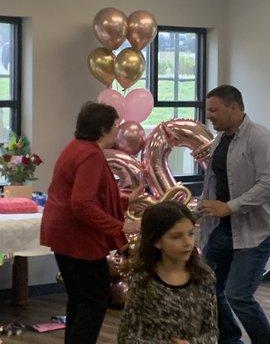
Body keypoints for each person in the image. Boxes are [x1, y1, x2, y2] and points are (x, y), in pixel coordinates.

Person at [41, 101, 140, 344]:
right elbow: (82, 204)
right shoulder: (90, 155)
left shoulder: (77, 148)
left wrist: (124, 201)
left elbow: (91, 196)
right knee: (94, 302)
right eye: (116, 126)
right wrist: (119, 226)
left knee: (80, 301)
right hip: (79, 239)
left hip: (65, 235)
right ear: (103, 129)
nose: (118, 131)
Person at [199, 85, 270, 344]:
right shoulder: (219, 140)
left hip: (257, 230)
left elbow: (269, 185)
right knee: (207, 287)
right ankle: (230, 340)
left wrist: (230, 206)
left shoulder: (260, 137)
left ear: (233, 107)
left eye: (213, 110)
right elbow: (213, 182)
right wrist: (200, 211)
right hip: (224, 228)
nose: (209, 115)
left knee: (238, 294)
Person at [118, 200, 218, 344]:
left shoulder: (204, 277)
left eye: (191, 234)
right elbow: (126, 335)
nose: (187, 242)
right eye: (176, 236)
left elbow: (211, 332)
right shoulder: (143, 279)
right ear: (157, 241)